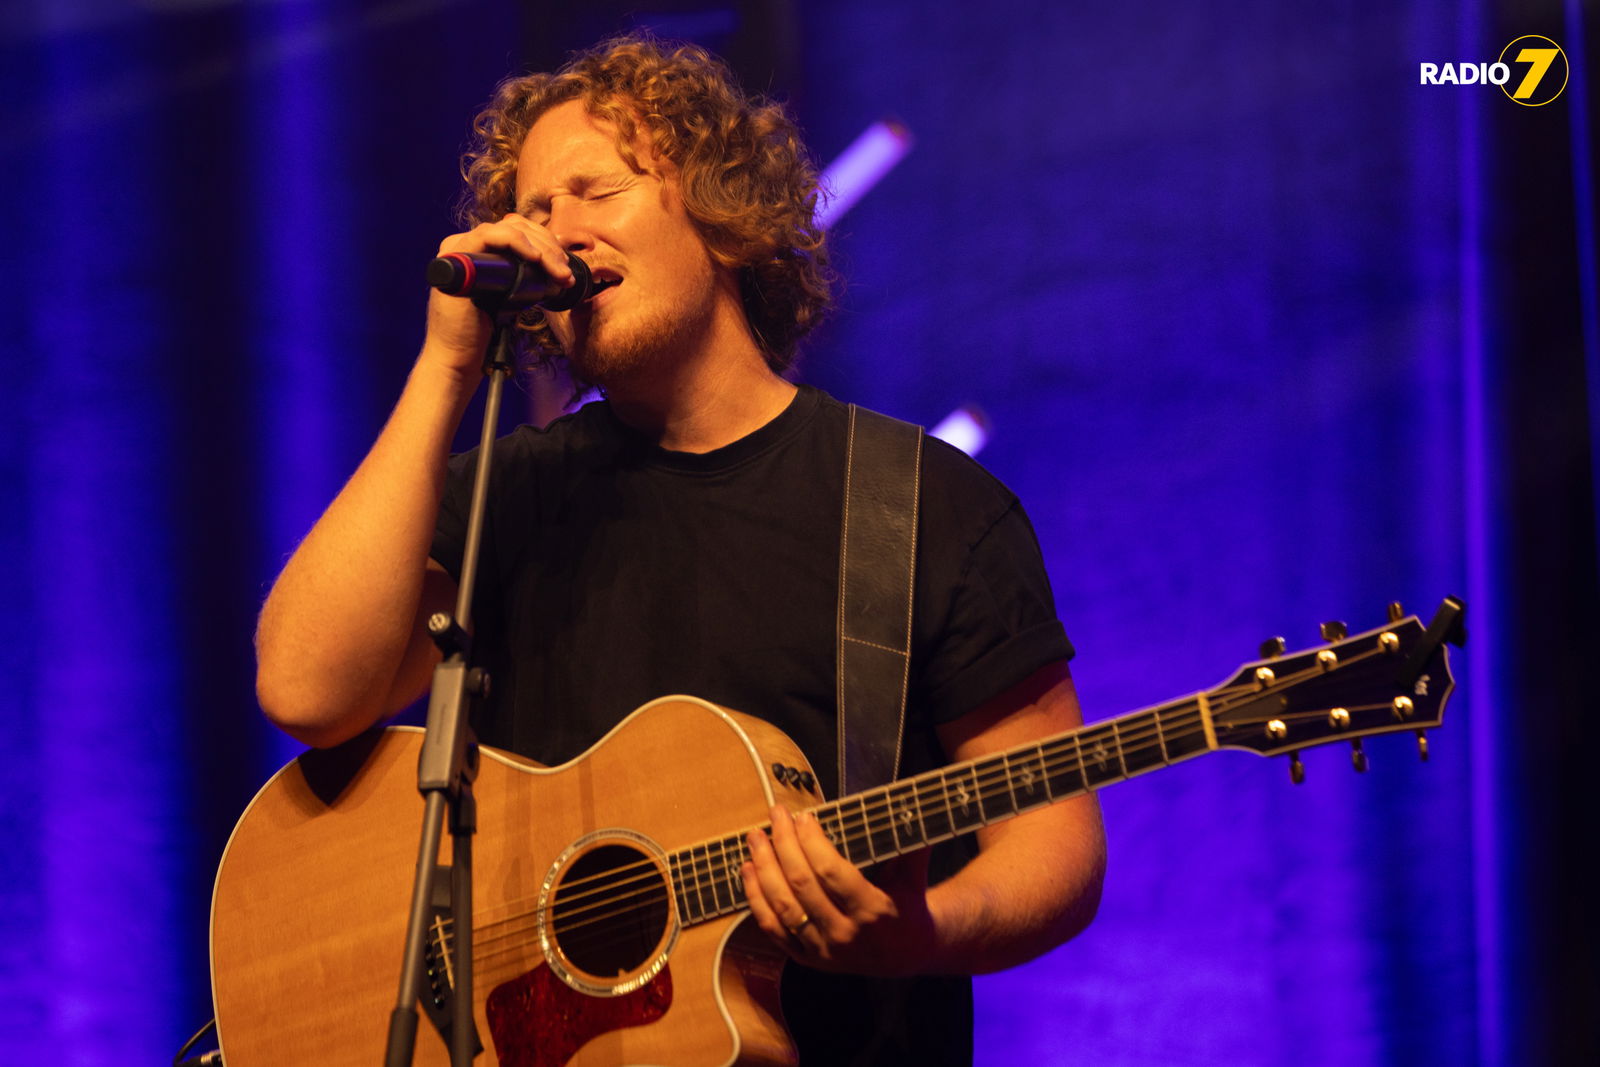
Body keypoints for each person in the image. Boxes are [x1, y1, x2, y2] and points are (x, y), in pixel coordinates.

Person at [254, 32, 1105, 1065]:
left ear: (723, 217)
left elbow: (1054, 838)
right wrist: (445, 362)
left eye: (592, 191)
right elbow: (306, 687)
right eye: (530, 210)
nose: (552, 234)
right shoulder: (506, 494)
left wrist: (920, 935)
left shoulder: (923, 506)